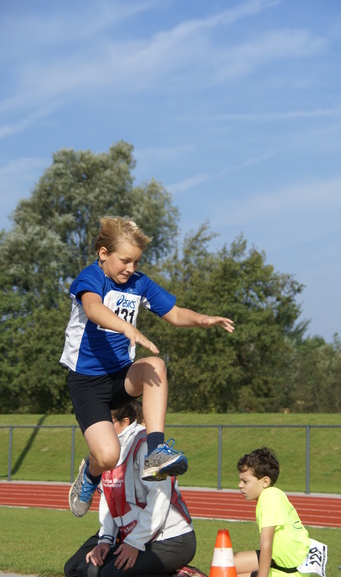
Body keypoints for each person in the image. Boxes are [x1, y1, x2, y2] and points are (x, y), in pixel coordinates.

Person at [60, 215, 234, 517]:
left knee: (155, 364)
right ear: (104, 254)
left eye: (136, 262)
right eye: (125, 261)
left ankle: (156, 450)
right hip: (86, 383)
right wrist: (128, 329)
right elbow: (94, 308)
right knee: (108, 456)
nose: (131, 269)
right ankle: (89, 472)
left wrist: (203, 320)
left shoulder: (140, 284)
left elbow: (176, 313)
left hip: (119, 377)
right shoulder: (90, 278)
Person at [64, 401, 208, 577]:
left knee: (110, 576)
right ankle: (159, 570)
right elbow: (109, 499)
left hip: (173, 539)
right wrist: (105, 540)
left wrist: (134, 542)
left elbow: (160, 500)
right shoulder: (110, 451)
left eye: (108, 422)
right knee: (86, 571)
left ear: (125, 422)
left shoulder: (144, 445)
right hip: (139, 536)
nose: (102, 429)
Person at [234, 447, 311, 577]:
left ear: (265, 481)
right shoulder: (272, 495)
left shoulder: (270, 497)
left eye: (245, 481)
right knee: (225, 563)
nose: (240, 485)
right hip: (287, 566)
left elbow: (266, 543)